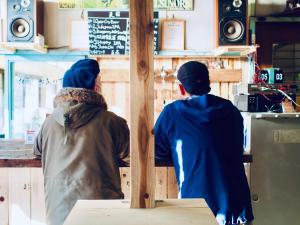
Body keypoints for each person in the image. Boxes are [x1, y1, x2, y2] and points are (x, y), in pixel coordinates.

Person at [154, 61, 254, 225]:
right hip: (237, 207)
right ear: (209, 84)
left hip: (196, 206)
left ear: (181, 88)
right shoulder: (230, 109)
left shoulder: (172, 113)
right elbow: (237, 144)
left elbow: (157, 150)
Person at [33, 59, 129, 225]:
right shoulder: (112, 122)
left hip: (59, 213)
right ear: (95, 87)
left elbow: (37, 152)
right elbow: (132, 157)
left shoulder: (48, 123)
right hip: (104, 213)